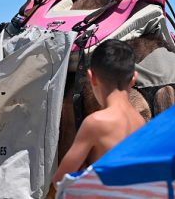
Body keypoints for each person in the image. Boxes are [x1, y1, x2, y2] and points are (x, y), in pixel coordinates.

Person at [53, 39, 145, 185]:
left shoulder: (95, 123)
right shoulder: (140, 121)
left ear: (92, 77)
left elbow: (60, 180)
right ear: (133, 78)